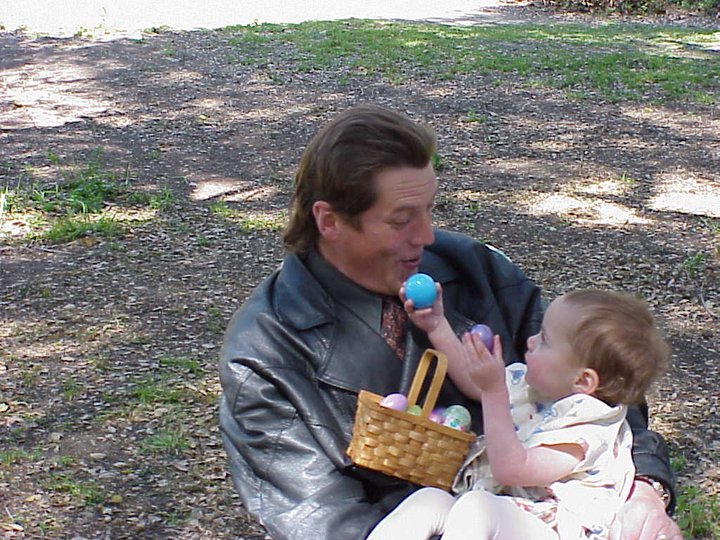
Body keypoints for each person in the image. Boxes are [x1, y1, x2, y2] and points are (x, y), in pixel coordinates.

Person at [218, 104, 682, 540]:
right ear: (330, 221)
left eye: (428, 210)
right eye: (401, 219)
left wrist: (644, 484)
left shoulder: (476, 270)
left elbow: (604, 386)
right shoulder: (265, 352)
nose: (426, 236)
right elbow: (321, 517)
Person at [367, 288, 672, 539]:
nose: (530, 341)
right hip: (511, 512)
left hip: (555, 528)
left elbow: (512, 470)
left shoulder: (587, 429)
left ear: (583, 380)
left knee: (477, 507)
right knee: (428, 500)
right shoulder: (535, 387)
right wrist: (437, 326)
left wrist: (493, 392)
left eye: (545, 340)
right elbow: (473, 378)